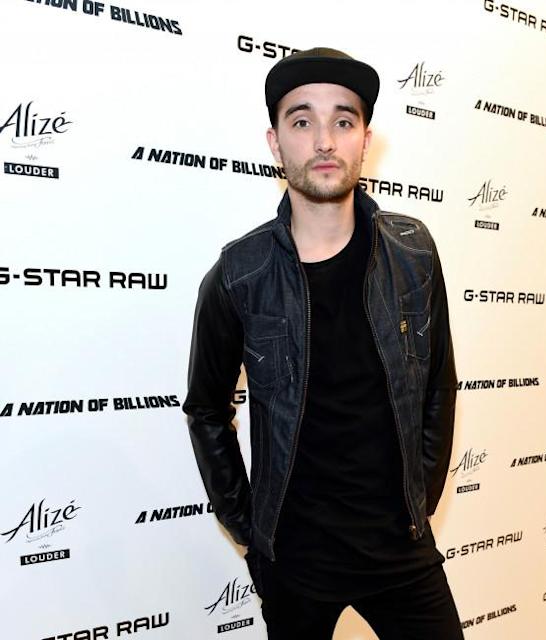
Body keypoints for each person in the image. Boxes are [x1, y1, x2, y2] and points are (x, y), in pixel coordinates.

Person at [183, 47, 463, 640]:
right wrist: (250, 530)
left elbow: (439, 384)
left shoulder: (413, 253)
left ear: (365, 140)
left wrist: (421, 497)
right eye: (302, 120)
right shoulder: (240, 275)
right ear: (275, 142)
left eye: (343, 120)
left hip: (401, 551)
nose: (324, 140)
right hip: (295, 563)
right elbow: (206, 409)